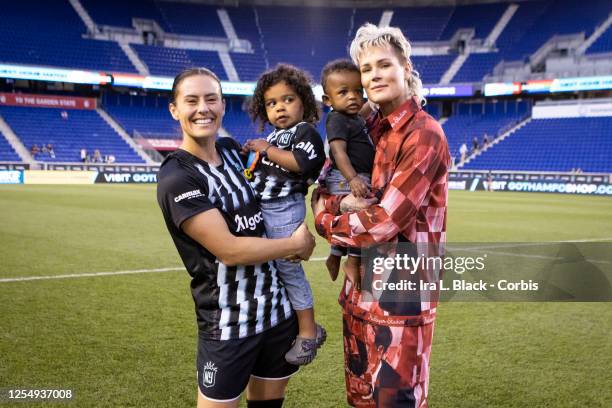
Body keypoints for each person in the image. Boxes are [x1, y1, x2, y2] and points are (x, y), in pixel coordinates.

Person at [157, 67, 316, 408]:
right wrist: (296, 244)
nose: (203, 108)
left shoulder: (233, 151)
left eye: (211, 99)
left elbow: (288, 184)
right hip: (229, 325)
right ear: (175, 109)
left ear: (223, 105)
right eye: (192, 101)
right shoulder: (177, 177)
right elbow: (229, 250)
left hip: (277, 314)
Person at [312, 23, 450, 407]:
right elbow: (322, 187)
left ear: (405, 66)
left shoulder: (424, 134)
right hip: (359, 296)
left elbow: (384, 222)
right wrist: (333, 204)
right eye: (366, 69)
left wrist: (326, 220)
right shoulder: (366, 127)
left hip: (400, 302)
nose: (374, 75)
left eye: (383, 64)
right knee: (360, 400)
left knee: (396, 403)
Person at [244, 63, 326, 366]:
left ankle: (308, 332)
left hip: (284, 209)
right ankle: (285, 324)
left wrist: (266, 150)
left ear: (303, 101)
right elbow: (261, 168)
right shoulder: (275, 137)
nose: (279, 107)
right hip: (261, 209)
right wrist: (251, 157)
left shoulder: (305, 132)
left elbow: (301, 164)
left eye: (288, 99)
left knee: (290, 270)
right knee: (269, 269)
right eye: (271, 103)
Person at [319, 59, 374, 282]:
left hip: (356, 176)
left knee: (355, 217)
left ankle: (334, 256)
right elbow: (338, 151)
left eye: (357, 91)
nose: (352, 96)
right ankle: (351, 262)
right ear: (328, 100)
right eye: (343, 92)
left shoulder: (353, 117)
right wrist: (353, 179)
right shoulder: (337, 119)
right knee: (361, 216)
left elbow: (366, 110)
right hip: (346, 177)